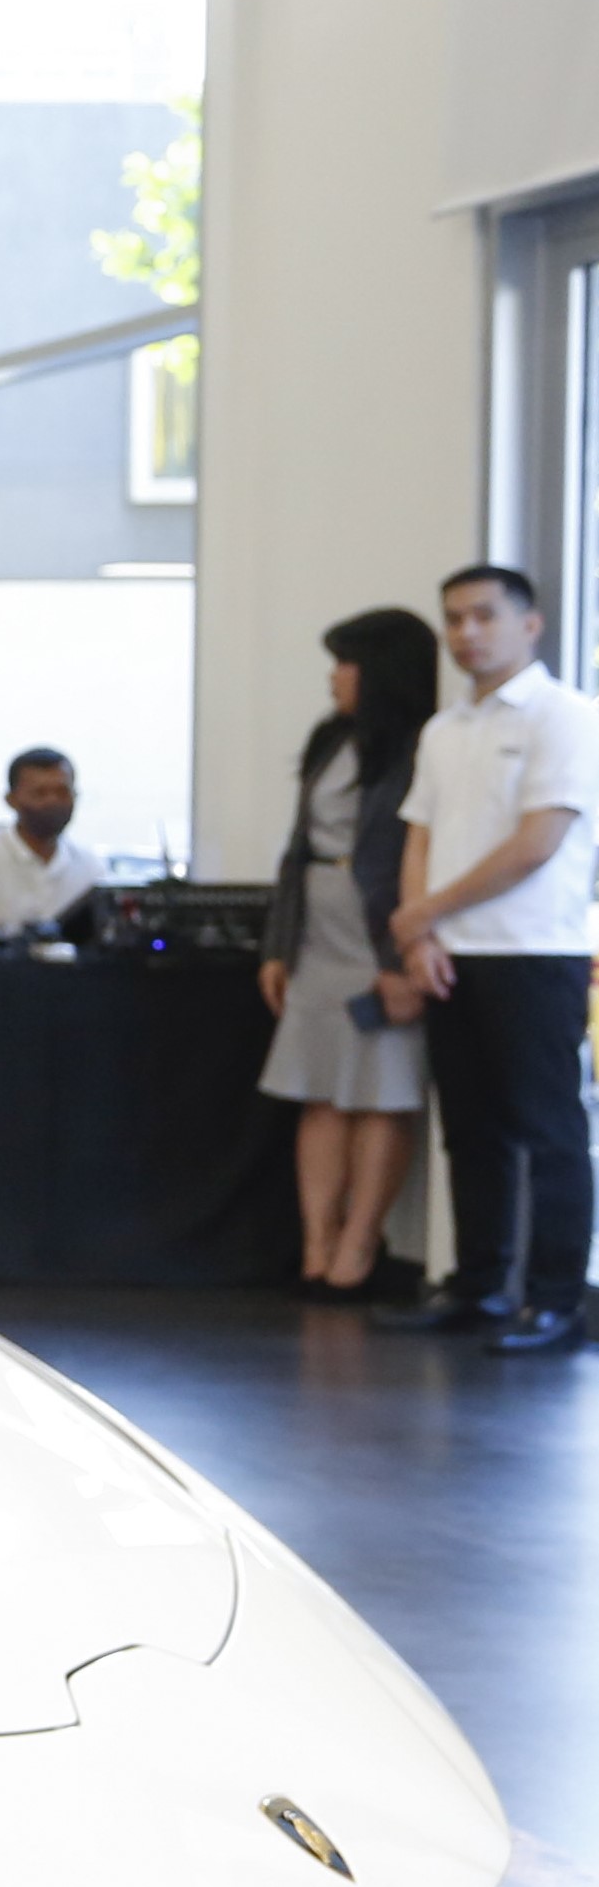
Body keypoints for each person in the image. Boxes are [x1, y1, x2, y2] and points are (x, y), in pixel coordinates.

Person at [373, 564, 598, 1354]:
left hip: (532, 951)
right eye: (453, 619)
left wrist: (424, 912)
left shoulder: (563, 716)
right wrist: (418, 935)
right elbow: (420, 838)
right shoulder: (443, 730)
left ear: (528, 624)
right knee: (469, 1131)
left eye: (482, 616)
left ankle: (556, 1298)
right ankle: (478, 1286)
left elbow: (537, 843)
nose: (466, 633)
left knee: (548, 1130)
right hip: (449, 955)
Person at [256, 609, 440, 1299]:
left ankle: (357, 1251)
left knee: (379, 1093)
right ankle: (316, 1246)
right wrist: (277, 946)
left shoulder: (420, 746)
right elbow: (295, 848)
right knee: (318, 1092)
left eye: (345, 663)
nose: (333, 677)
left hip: (381, 933)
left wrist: (400, 955)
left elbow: (415, 858)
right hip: (316, 933)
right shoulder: (327, 740)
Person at [0, 748, 104, 937]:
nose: (53, 801)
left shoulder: (91, 868)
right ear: (11, 800)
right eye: (39, 793)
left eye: (62, 792)